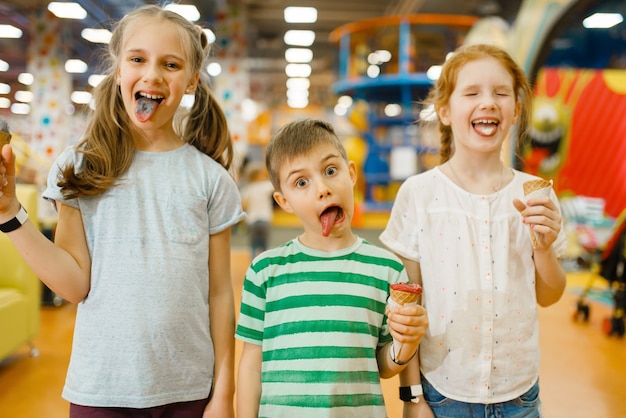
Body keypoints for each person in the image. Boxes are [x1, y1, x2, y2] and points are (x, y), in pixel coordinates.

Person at [0, 5, 244, 417]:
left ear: (190, 82)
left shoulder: (211, 180)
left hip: (189, 390)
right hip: (101, 390)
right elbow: (74, 285)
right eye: (137, 59)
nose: (152, 75)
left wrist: (224, 392)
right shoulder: (78, 168)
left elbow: (220, 293)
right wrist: (9, 211)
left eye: (170, 64)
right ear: (118, 73)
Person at [379, 43, 567, 417]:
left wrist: (543, 248)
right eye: (472, 93)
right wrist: (412, 398)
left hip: (520, 396)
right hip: (442, 393)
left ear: (515, 111)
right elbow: (408, 310)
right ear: (445, 111)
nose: (489, 102)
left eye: (501, 93)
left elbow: (549, 295)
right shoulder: (419, 195)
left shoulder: (537, 195)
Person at [235, 118, 429, 417]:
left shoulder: (386, 270)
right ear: (283, 201)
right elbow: (251, 363)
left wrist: (405, 346)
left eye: (330, 171)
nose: (323, 189)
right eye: (302, 182)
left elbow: (383, 365)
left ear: (351, 173)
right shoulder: (265, 271)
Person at [239, 162, 275, 257]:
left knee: (254, 246)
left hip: (252, 220)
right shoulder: (265, 186)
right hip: (265, 219)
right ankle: (265, 266)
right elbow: (275, 185)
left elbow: (243, 206)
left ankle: (254, 265)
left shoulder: (247, 189)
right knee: (264, 246)